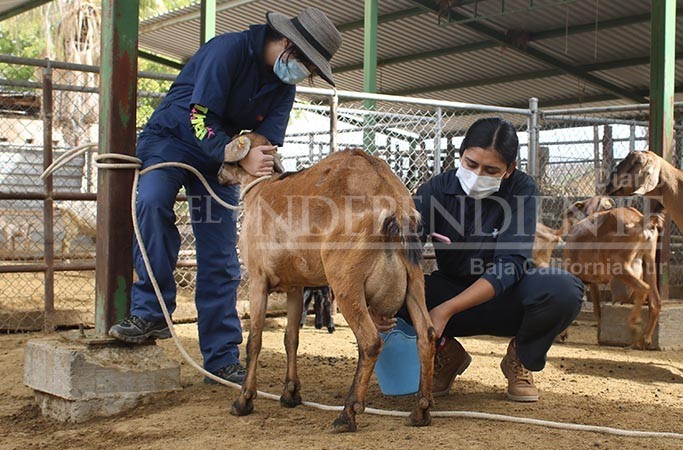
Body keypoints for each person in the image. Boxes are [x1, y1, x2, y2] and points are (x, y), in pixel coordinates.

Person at [108, 8, 342, 384]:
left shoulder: (285, 85)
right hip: (173, 139)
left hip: (222, 158)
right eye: (305, 63)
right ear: (285, 43)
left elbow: (268, 142)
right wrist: (237, 152)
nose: (305, 73)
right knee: (151, 202)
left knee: (218, 251)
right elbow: (199, 116)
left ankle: (221, 358)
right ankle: (151, 311)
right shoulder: (227, 51)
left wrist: (252, 156)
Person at [400, 118, 584, 402]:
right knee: (389, 287)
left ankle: (520, 355)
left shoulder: (522, 189)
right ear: (460, 156)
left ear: (509, 170)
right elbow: (404, 247)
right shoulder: (436, 190)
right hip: (452, 287)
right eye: (471, 164)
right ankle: (446, 353)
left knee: (564, 289)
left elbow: (509, 266)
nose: (476, 175)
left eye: (491, 170)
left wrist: (445, 310)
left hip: (508, 296)